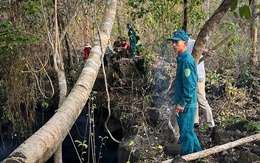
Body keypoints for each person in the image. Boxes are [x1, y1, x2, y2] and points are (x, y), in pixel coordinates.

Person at [168, 30, 202, 156]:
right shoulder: (182, 59)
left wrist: (182, 103)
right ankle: (200, 155)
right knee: (189, 132)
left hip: (186, 104)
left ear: (185, 43)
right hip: (185, 102)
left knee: (186, 134)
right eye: (173, 42)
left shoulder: (186, 61)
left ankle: (186, 158)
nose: (173, 45)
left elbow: (191, 85)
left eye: (177, 42)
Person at [187, 37, 215, 132]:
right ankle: (195, 122)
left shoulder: (194, 42)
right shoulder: (181, 45)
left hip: (198, 76)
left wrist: (208, 52)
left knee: (201, 99)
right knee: (192, 99)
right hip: (190, 76)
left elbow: (203, 51)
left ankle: (210, 124)